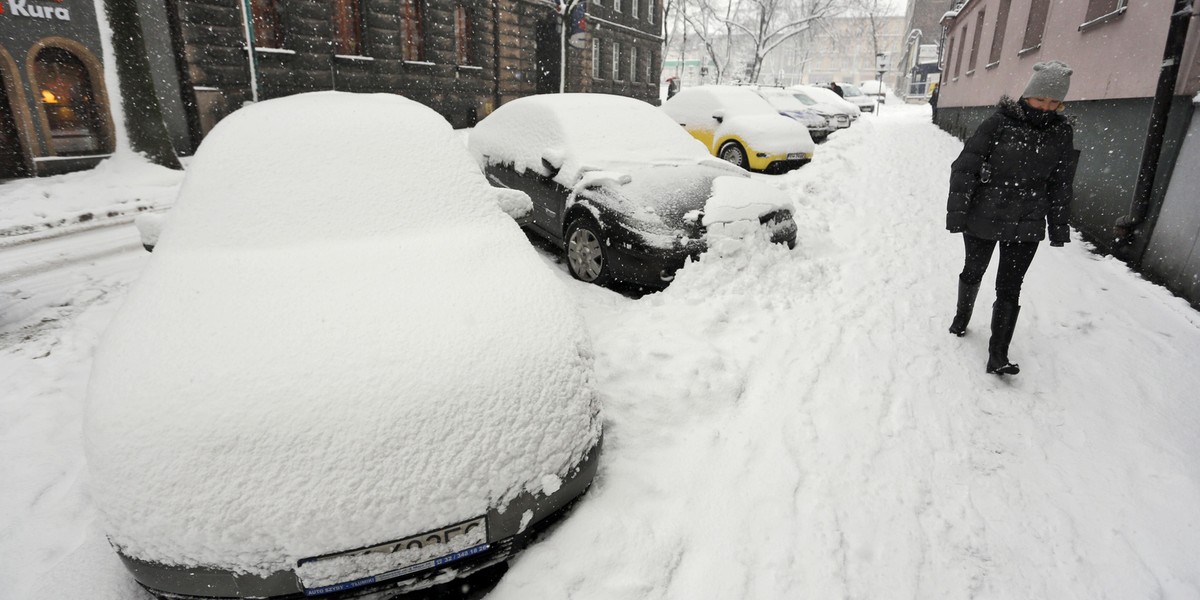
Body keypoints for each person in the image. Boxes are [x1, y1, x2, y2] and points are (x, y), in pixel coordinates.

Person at [944, 60, 1080, 376]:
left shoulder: (1061, 133)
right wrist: (958, 214)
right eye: (1040, 99)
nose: (1045, 108)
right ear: (1026, 96)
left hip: (1028, 220)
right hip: (985, 214)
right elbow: (964, 167)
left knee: (1010, 286)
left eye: (1053, 102)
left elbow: (1061, 182)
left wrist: (1058, 226)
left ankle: (998, 355)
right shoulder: (999, 124)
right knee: (974, 270)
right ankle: (962, 318)